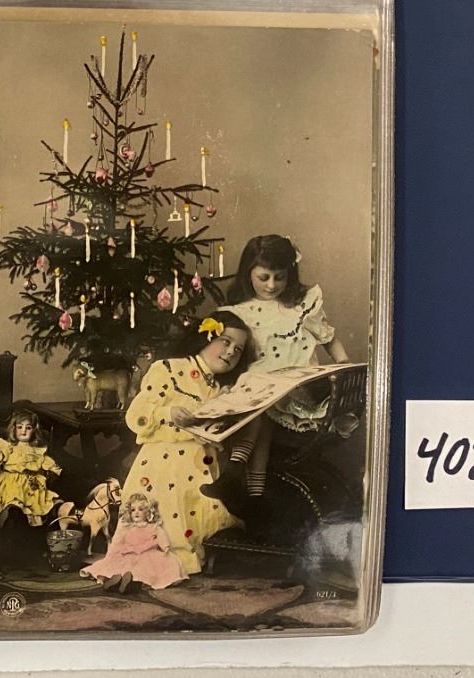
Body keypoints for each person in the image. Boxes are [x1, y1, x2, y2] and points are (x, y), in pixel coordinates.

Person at [202, 233, 353, 512]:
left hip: (298, 395)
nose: (271, 285)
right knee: (261, 405)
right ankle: (255, 497)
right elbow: (231, 357)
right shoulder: (239, 313)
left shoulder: (301, 307)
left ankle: (236, 468)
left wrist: (343, 364)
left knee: (264, 400)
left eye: (279, 277)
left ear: (289, 274)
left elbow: (329, 338)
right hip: (260, 399)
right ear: (248, 273)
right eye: (264, 277)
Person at [118, 311, 247, 576]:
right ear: (207, 336)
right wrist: (168, 413)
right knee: (165, 527)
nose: (231, 352)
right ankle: (144, 566)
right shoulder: (168, 369)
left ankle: (190, 561)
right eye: (225, 342)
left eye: (238, 350)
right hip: (165, 469)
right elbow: (135, 415)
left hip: (201, 468)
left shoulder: (218, 389)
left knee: (197, 522)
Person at [80, 491, 185, 592]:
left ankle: (129, 584)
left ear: (148, 512)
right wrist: (113, 554)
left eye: (140, 509)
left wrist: (165, 547)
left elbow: (161, 537)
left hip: (148, 554)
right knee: (120, 567)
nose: (136, 512)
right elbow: (118, 542)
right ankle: (114, 582)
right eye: (133, 510)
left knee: (147, 569)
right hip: (129, 554)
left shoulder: (153, 527)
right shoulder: (127, 528)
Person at [0, 410, 63, 527]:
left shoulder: (37, 450)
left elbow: (45, 461)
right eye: (20, 427)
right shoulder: (7, 446)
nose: (24, 431)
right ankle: (10, 514)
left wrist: (53, 469)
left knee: (36, 502)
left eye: (28, 428)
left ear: (34, 430)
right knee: (15, 497)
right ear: (14, 429)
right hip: (11, 481)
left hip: (31, 481)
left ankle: (23, 519)